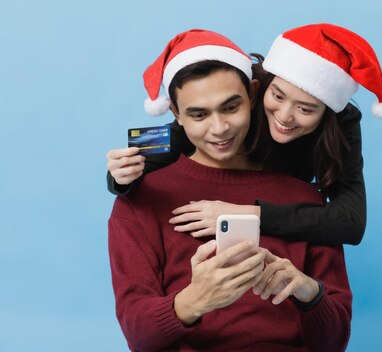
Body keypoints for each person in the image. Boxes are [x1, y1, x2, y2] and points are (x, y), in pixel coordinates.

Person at [109, 29, 352, 351]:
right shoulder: (140, 200)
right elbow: (139, 336)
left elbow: (333, 343)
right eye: (198, 114)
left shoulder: (306, 200)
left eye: (230, 108)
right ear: (175, 114)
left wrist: (309, 293)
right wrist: (193, 301)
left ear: (253, 95)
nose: (219, 129)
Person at [106, 23, 382, 245]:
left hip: (280, 239)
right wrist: (118, 176)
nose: (284, 117)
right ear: (257, 92)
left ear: (327, 113)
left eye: (306, 109)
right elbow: (139, 154)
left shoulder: (343, 123)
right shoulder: (226, 99)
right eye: (278, 97)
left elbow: (351, 222)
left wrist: (245, 214)